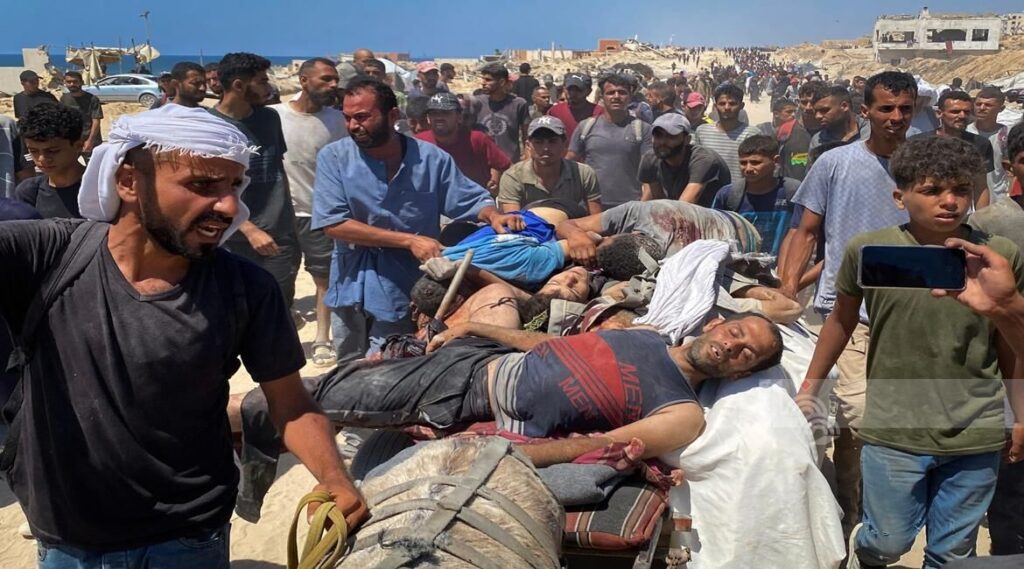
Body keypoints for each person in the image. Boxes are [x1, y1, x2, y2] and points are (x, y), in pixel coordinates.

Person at [0, 104, 367, 568]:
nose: (229, 206)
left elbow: (290, 403)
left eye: (234, 186)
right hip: (70, 541)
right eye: (202, 185)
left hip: (189, 538)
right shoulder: (48, 256)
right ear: (128, 182)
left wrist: (334, 478)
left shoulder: (246, 288)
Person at [801, 136, 1024, 569]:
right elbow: (841, 322)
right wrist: (811, 387)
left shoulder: (998, 256)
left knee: (952, 554)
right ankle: (867, 554)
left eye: (960, 190)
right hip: (894, 426)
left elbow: (1009, 344)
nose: (949, 202)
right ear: (899, 197)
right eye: (932, 190)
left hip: (976, 429)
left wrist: (1020, 414)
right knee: (888, 541)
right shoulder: (869, 251)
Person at [779, 71, 919, 542]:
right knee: (858, 413)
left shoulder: (925, 165)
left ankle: (861, 510)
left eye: (905, 108)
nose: (896, 117)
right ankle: (861, 516)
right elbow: (806, 231)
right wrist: (789, 287)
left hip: (912, 312)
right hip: (848, 311)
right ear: (866, 111)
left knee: (883, 418)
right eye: (886, 108)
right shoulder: (835, 164)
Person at [311, 78, 522, 364]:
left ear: (392, 116)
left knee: (392, 362)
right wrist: (410, 240)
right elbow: (334, 223)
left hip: (404, 284)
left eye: (361, 117)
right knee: (348, 363)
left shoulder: (431, 159)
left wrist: (493, 215)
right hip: (351, 279)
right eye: (347, 118)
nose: (353, 126)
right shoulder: (334, 157)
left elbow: (469, 199)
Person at [269, 57, 348, 367]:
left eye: (335, 79)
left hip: (320, 215)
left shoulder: (338, 121)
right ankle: (286, 328)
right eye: (326, 79)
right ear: (304, 80)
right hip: (280, 215)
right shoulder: (274, 116)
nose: (333, 85)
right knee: (278, 280)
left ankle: (322, 338)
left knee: (324, 279)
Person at [210, 52, 301, 315]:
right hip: (231, 238)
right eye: (261, 81)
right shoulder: (210, 126)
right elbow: (211, 189)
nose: (268, 87)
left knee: (277, 308)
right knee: (235, 311)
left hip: (279, 234)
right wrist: (249, 229)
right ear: (239, 85)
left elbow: (276, 168)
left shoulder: (269, 119)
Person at [555, 198, 762, 273]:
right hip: (737, 229)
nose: (601, 236)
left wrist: (577, 236)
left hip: (745, 233)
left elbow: (564, 224)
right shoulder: (634, 213)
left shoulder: (636, 212)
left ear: (635, 232)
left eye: (604, 238)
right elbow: (565, 224)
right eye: (605, 238)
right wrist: (576, 235)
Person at [567, 74, 652, 208]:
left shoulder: (643, 130)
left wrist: (641, 207)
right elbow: (569, 163)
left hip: (629, 207)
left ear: (630, 96)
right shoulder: (585, 127)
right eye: (610, 93)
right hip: (591, 206)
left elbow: (651, 175)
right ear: (602, 96)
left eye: (622, 92)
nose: (616, 97)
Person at [712, 134, 799, 256]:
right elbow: (715, 233)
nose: (748, 168)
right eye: (743, 163)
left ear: (776, 161)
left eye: (755, 162)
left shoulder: (792, 192)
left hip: (781, 265)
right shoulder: (728, 195)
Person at [498, 116, 601, 216]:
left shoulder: (583, 174)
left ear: (565, 144)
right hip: (528, 227)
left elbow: (596, 218)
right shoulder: (513, 177)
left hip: (571, 225)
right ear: (528, 146)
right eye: (539, 142)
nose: (546, 148)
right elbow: (513, 221)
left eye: (552, 141)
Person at [416, 92, 511, 193]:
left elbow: (509, 168)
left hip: (474, 200)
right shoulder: (418, 144)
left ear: (459, 117)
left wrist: (498, 183)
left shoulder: (477, 140)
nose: (439, 118)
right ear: (428, 119)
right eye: (434, 113)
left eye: (445, 113)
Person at [911, 90, 995, 205]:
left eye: (966, 112)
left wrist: (981, 215)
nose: (962, 116)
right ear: (939, 113)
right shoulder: (918, 144)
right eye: (955, 112)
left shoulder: (980, 144)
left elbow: (980, 186)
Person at [638, 113, 730, 206]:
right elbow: (655, 200)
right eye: (658, 135)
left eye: (671, 136)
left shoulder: (703, 160)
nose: (662, 142)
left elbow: (684, 205)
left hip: (712, 212)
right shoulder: (650, 159)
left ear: (687, 139)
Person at [14, 104, 85, 219]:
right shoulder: (29, 192)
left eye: (52, 151)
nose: (42, 159)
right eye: (34, 151)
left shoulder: (102, 189)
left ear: (78, 146)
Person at [692, 84, 759, 183]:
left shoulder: (752, 134)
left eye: (732, 103)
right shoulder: (702, 131)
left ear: (741, 106)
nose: (727, 107)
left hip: (740, 190)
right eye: (722, 103)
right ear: (715, 106)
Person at [473, 63, 530, 162]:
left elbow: (526, 135)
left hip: (510, 163)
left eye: (488, 80)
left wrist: (527, 159)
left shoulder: (519, 104)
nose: (483, 83)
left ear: (502, 82)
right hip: (484, 162)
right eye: (483, 79)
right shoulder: (477, 103)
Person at [968, 87, 1011, 199]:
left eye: (988, 105)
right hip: (970, 198)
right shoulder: (965, 133)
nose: (982, 108)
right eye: (978, 104)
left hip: (998, 197)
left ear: (1001, 109)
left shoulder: (1006, 135)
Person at [808, 86, 870, 154]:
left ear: (844, 106)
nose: (817, 116)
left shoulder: (872, 132)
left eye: (824, 110)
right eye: (815, 112)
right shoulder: (818, 141)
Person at [547, 73, 603, 140]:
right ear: (564, 89)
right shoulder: (555, 112)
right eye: (570, 89)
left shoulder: (599, 113)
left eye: (578, 90)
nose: (573, 93)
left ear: (589, 91)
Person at [59, 71, 102, 155]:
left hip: (89, 140)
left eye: (75, 82)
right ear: (65, 83)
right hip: (72, 140)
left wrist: (90, 141)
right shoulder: (64, 98)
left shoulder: (92, 99)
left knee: (92, 163)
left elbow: (96, 121)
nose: (72, 84)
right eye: (69, 82)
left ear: (81, 82)